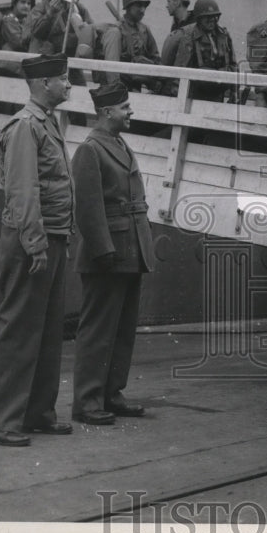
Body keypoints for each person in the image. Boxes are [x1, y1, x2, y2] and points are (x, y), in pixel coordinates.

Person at [0, 53, 75, 447]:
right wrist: (36, 246)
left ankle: (37, 412)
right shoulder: (25, 127)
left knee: (48, 330)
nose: (69, 85)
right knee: (19, 330)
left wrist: (58, 240)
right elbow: (22, 192)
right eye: (64, 79)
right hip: (28, 241)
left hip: (51, 238)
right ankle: (0, 421)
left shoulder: (49, 123)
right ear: (43, 84)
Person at [71, 81, 154, 426]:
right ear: (106, 112)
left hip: (130, 249)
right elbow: (88, 210)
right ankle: (87, 401)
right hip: (108, 254)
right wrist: (104, 251)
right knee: (98, 329)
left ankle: (111, 393)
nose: (130, 111)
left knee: (122, 328)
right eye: (125, 107)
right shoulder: (90, 150)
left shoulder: (118, 143)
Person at [173, 0, 237, 102]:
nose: (212, 20)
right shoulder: (190, 37)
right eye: (207, 17)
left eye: (215, 16)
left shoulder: (224, 35)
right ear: (199, 18)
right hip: (196, 96)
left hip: (218, 93)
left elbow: (233, 64)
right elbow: (180, 69)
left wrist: (234, 92)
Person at [101, 0, 161, 93]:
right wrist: (117, 93)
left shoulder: (144, 30)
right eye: (138, 5)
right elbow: (111, 69)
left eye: (144, 6)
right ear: (128, 7)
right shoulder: (115, 31)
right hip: (117, 89)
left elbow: (155, 59)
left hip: (136, 87)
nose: (142, 10)